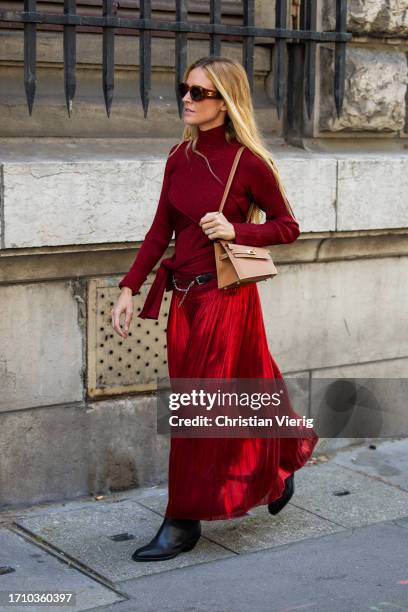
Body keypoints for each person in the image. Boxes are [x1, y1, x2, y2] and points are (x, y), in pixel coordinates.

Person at [111, 56, 319, 562]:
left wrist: (237, 229)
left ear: (225, 103)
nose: (186, 98)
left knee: (198, 408)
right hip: (182, 300)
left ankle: (181, 520)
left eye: (199, 93)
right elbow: (161, 230)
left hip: (226, 297)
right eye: (185, 88)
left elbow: (287, 226)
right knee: (242, 383)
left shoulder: (249, 162)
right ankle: (285, 453)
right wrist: (129, 287)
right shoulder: (177, 158)